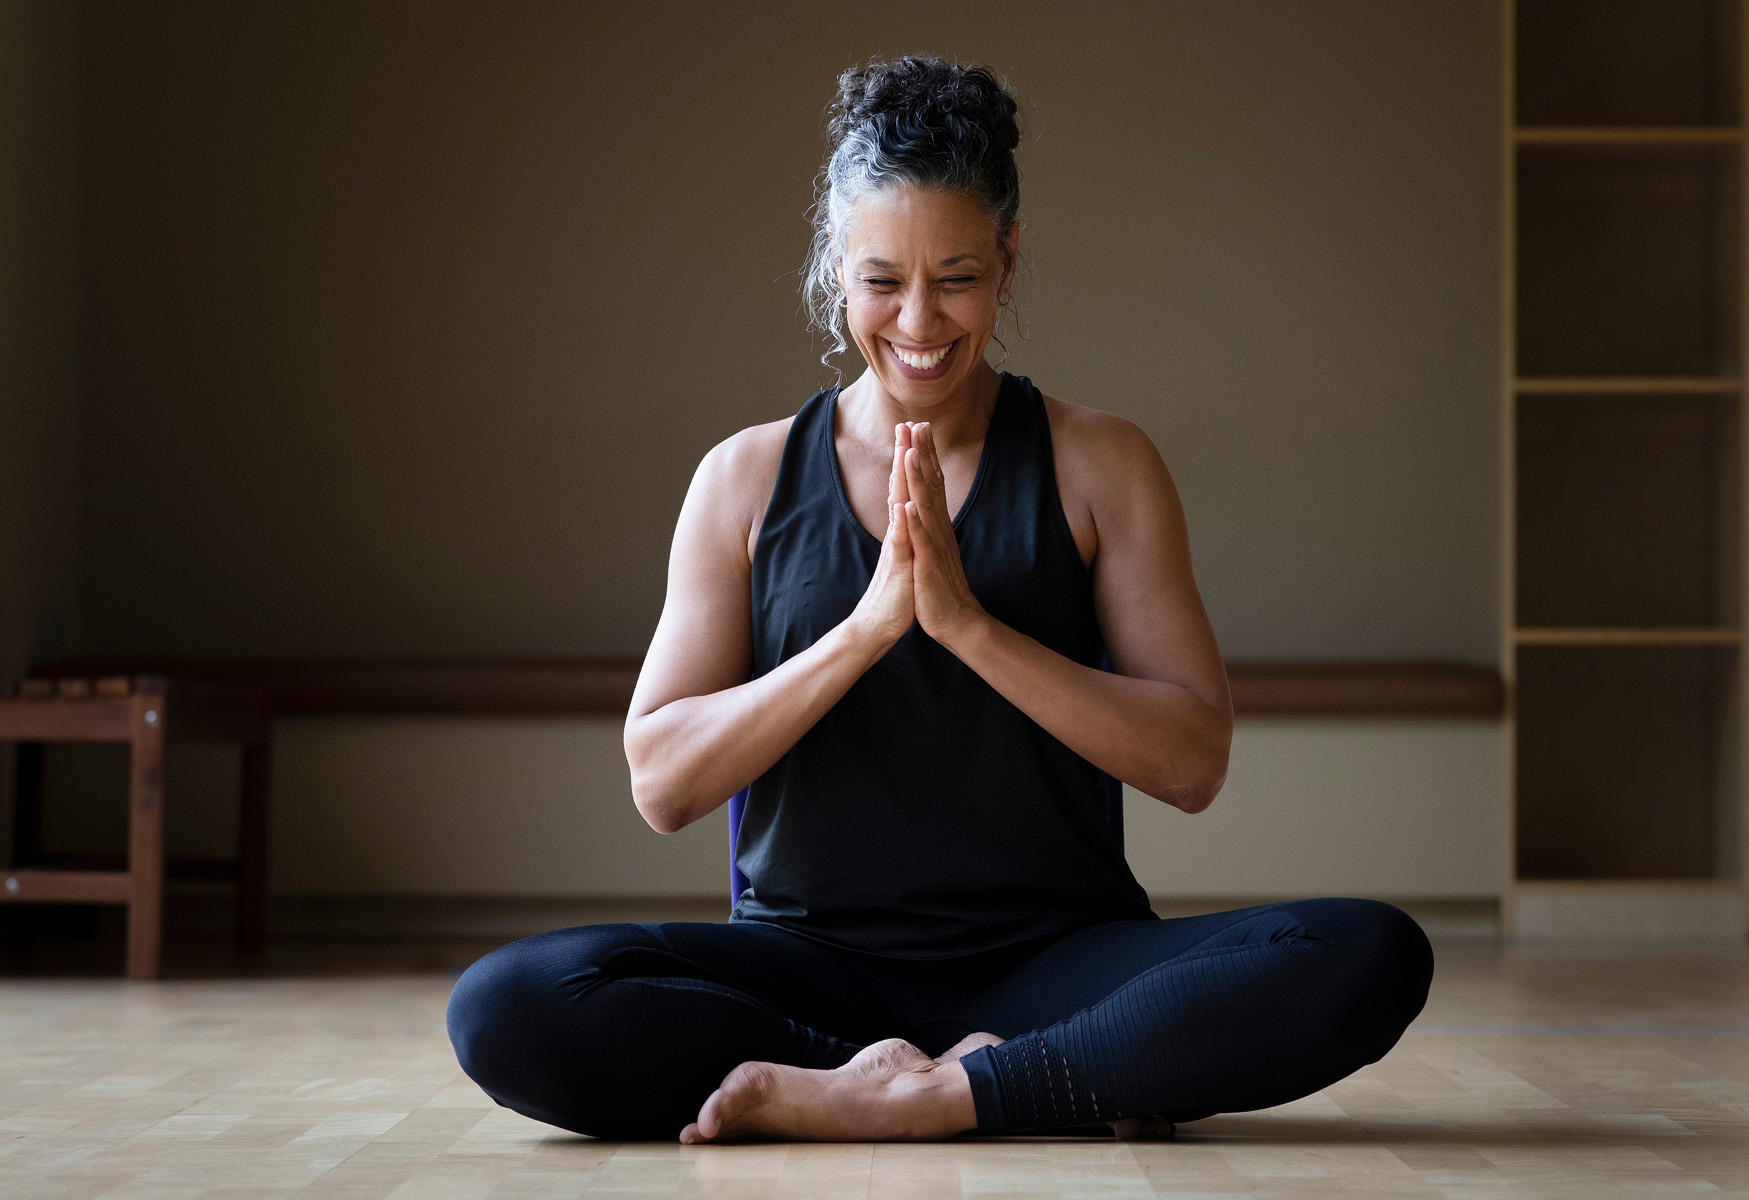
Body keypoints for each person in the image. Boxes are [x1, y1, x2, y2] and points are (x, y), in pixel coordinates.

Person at [446, 55, 1432, 1144]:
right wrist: (868, 630)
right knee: (505, 1004)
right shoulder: (745, 478)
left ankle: (932, 1093)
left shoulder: (1100, 464)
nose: (920, 320)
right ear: (834, 265)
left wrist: (967, 626)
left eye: (957, 276)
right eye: (882, 280)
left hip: (1055, 960)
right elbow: (663, 782)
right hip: (805, 968)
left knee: (1367, 952)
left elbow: (1192, 762)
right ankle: (959, 1083)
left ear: (1009, 261)